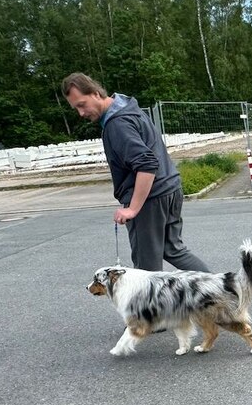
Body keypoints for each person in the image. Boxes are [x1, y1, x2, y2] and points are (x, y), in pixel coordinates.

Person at [61, 72, 210, 273]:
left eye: (81, 104)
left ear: (96, 93)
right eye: (76, 108)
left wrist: (132, 208)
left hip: (150, 198)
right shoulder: (129, 108)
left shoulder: (117, 123)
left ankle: (154, 306)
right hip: (170, 188)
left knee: (146, 271)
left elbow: (147, 164)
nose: (80, 113)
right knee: (173, 249)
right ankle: (223, 296)